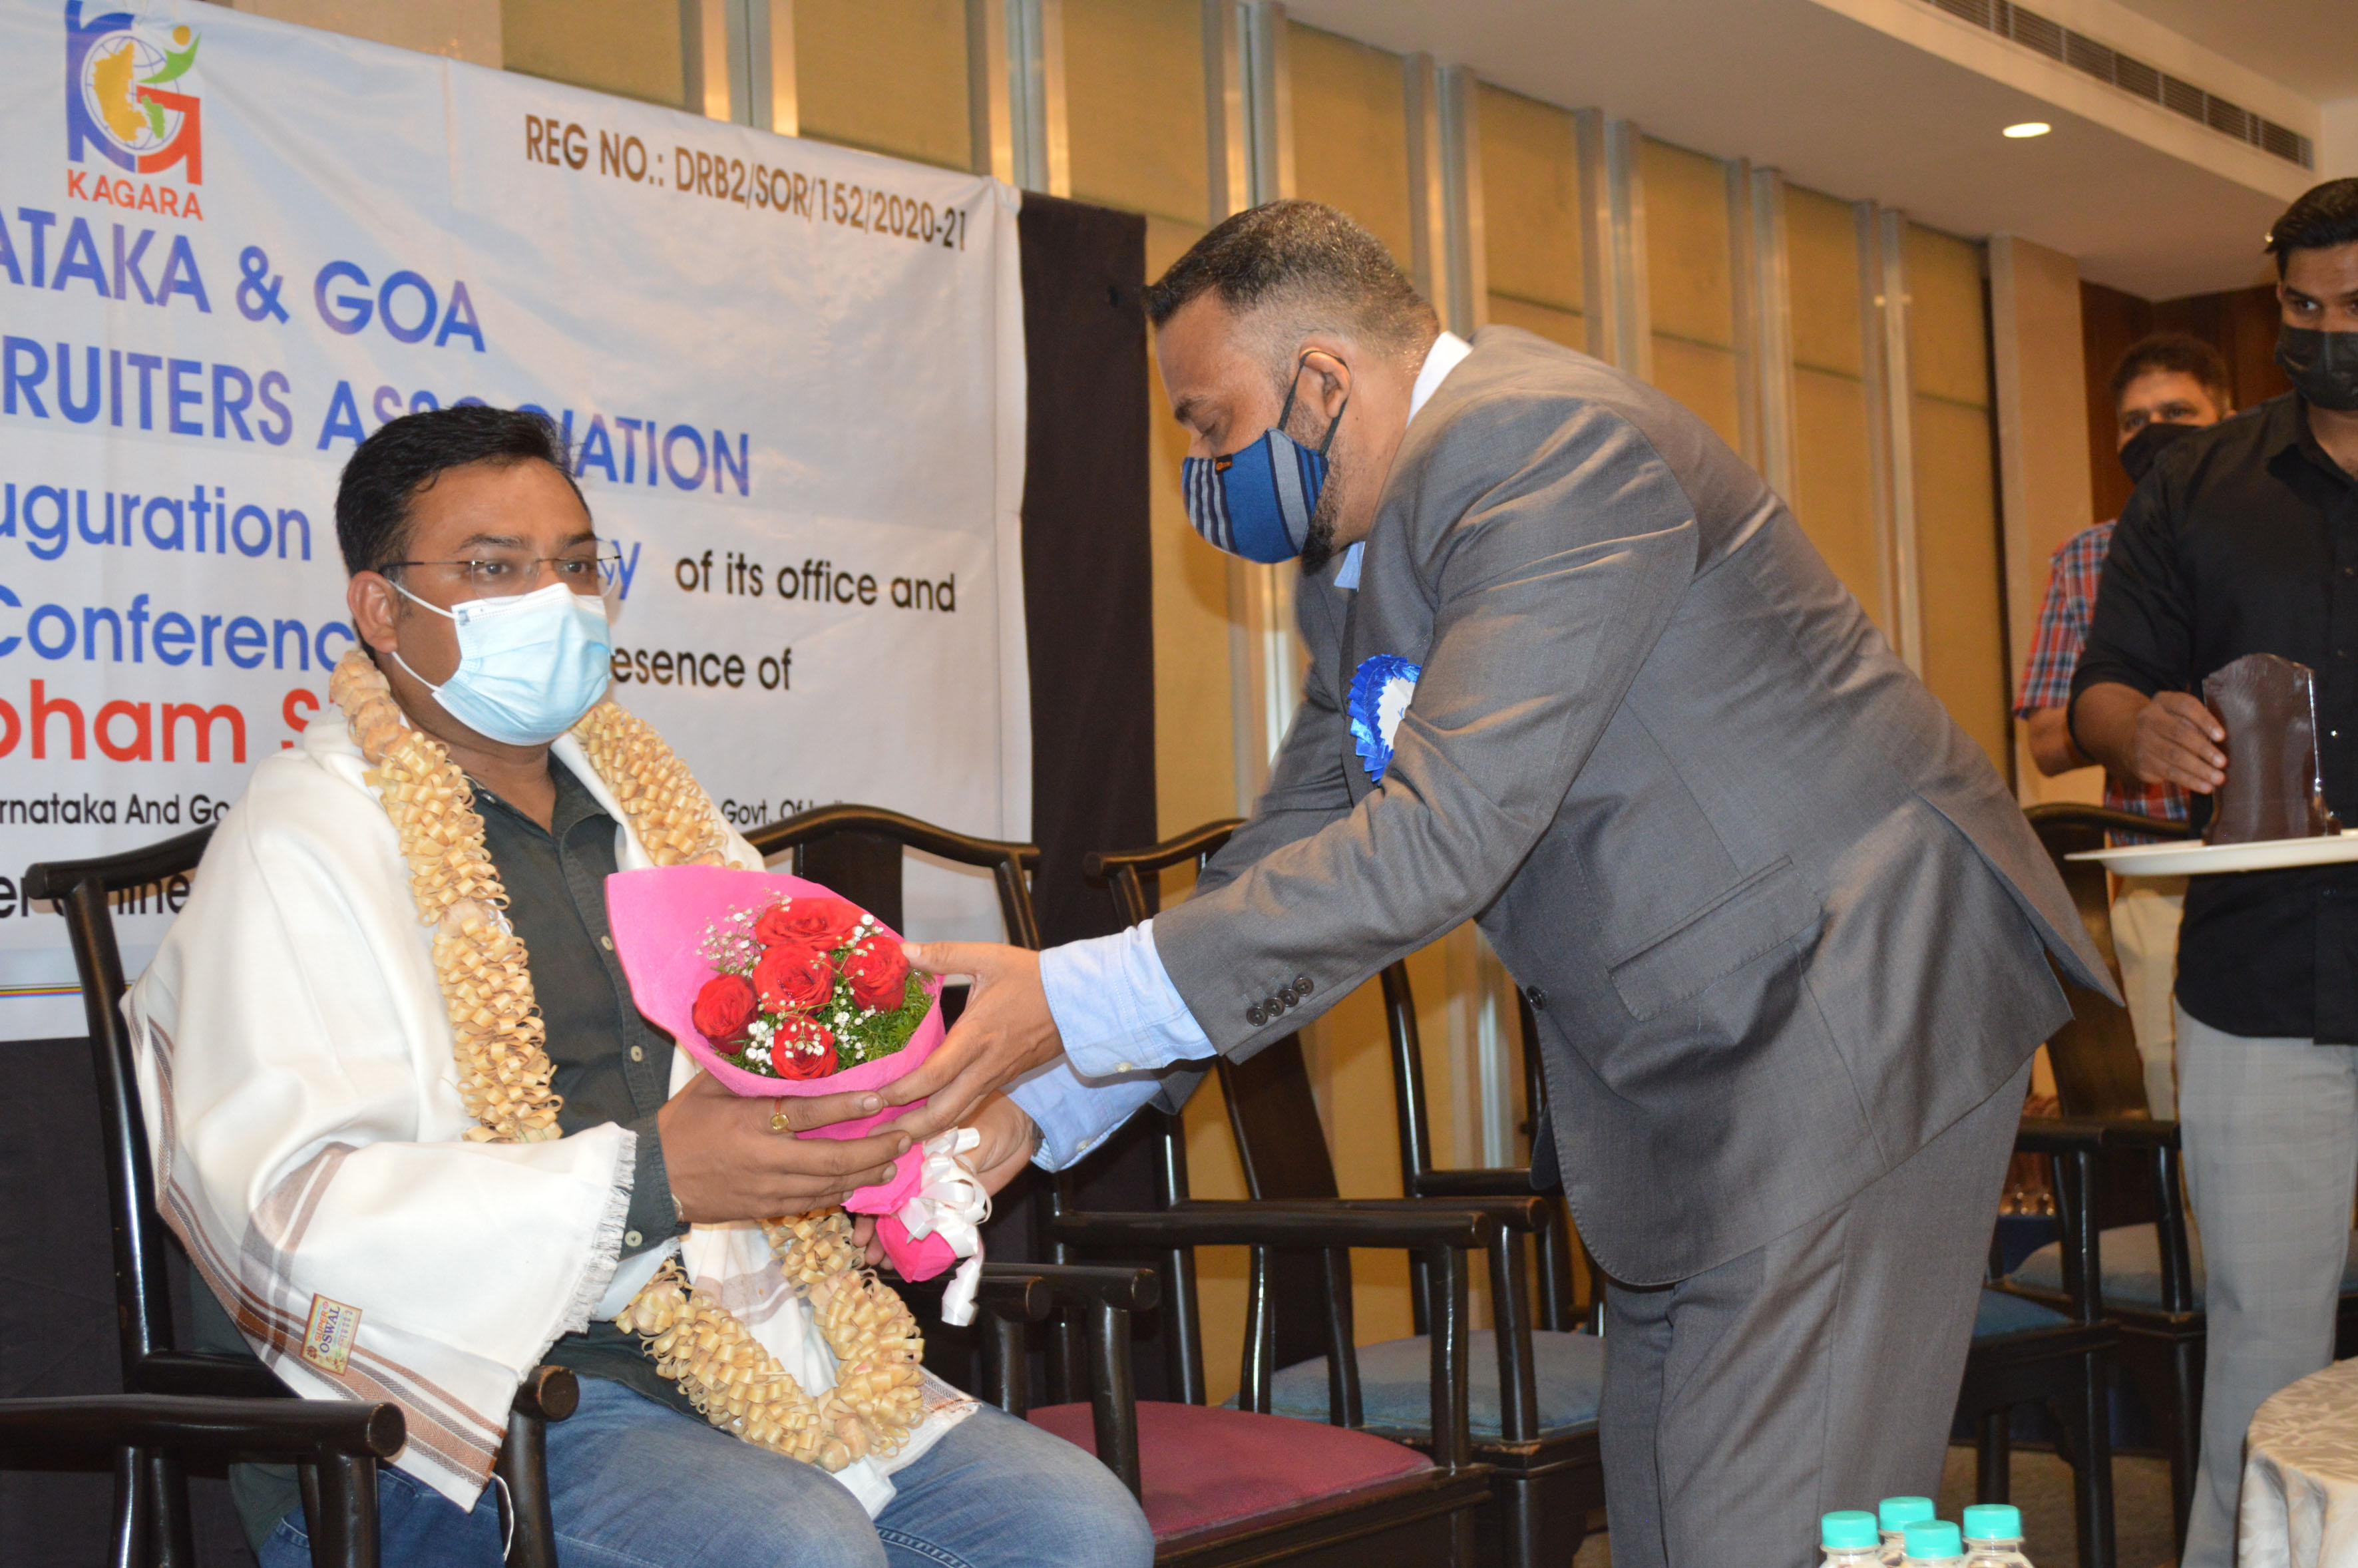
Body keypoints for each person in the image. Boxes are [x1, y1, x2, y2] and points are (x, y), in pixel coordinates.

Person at [916, 200, 2109, 1565]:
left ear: (1321, 382)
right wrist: (1049, 1092)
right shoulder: (1355, 563)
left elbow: (1444, 832)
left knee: (1762, 1534)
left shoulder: (1543, 445)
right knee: (1672, 1524)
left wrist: (1066, 994)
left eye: (1208, 423)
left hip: (1843, 1007)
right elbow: (1297, 845)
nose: (1198, 466)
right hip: (1696, 1065)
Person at [124, 406, 1150, 1568]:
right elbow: (287, 1208)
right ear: (380, 607)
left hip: (752, 1350)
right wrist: (650, 1181)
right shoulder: (299, 843)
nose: (551, 600)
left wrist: (888, 1143)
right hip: (446, 1417)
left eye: (574, 565)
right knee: (798, 1552)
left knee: (1077, 1531)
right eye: (494, 569)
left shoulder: (653, 812)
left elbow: (799, 1044)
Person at [2071, 175, 2358, 1568]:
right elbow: (2099, 688)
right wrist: (2142, 727)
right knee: (2262, 1335)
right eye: (2301, 307)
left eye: (2352, 305)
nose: (2326, 333)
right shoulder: (2194, 482)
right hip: (2260, 973)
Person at [2015, 333, 2231, 1116]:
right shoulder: (2087, 559)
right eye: (2135, 421)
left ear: (2228, 417)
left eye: (2178, 412)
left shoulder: (2284, 538)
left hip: (2289, 852)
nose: (2154, 433)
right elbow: (2045, 741)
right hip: (2155, 862)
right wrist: (2128, 713)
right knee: (2175, 1084)